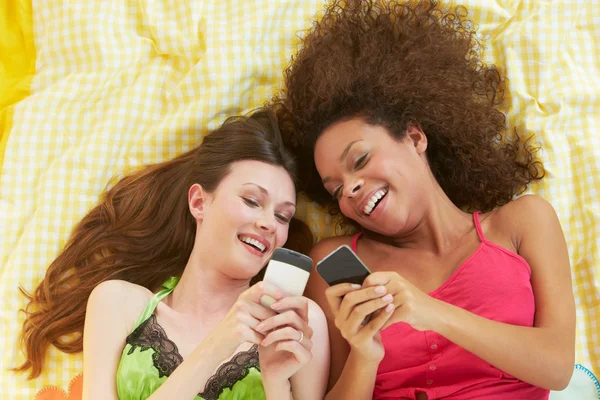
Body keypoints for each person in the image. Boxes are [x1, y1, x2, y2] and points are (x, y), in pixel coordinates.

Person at [273, 1, 575, 399]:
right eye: (335, 189)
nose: (350, 189)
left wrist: (429, 311)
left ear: (415, 138)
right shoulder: (333, 260)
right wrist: (365, 354)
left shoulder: (522, 222)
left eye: (360, 160)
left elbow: (556, 366)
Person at [14, 110, 330, 400]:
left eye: (283, 216)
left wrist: (276, 384)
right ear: (199, 202)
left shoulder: (299, 324)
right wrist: (217, 345)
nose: (268, 223)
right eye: (251, 200)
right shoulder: (118, 303)